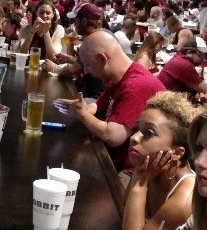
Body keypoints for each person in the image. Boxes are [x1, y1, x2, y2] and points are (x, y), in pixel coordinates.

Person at [54, 30, 165, 172]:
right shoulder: (119, 77)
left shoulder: (136, 85)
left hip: (132, 172)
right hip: (111, 161)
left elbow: (113, 136)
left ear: (102, 59)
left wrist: (82, 114)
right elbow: (97, 106)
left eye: (87, 64)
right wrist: (80, 107)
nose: (86, 71)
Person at [121, 91, 198, 230]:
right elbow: (124, 211)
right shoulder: (153, 170)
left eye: (148, 133)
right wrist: (140, 174)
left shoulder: (183, 201)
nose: (134, 138)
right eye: (137, 129)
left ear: (176, 153)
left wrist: (140, 184)